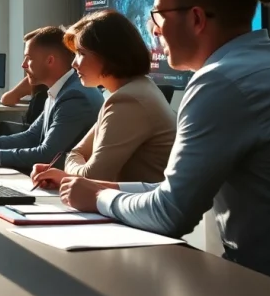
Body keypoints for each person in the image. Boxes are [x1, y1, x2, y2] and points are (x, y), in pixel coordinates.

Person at [56, 0, 270, 285]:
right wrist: (106, 188)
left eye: (158, 15)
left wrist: (97, 198)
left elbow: (171, 213)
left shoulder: (220, 82)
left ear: (196, 19)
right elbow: (177, 189)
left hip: (269, 288)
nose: (153, 29)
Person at [30, 11, 175, 186]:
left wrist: (68, 174)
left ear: (109, 54)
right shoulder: (133, 89)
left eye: (81, 53)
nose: (74, 63)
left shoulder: (128, 100)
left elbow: (92, 177)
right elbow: (76, 154)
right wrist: (71, 171)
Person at [0, 27, 102, 171]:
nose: (23, 64)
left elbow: (47, 154)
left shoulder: (75, 96)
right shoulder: (61, 90)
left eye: (29, 58)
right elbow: (32, 136)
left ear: (50, 60)